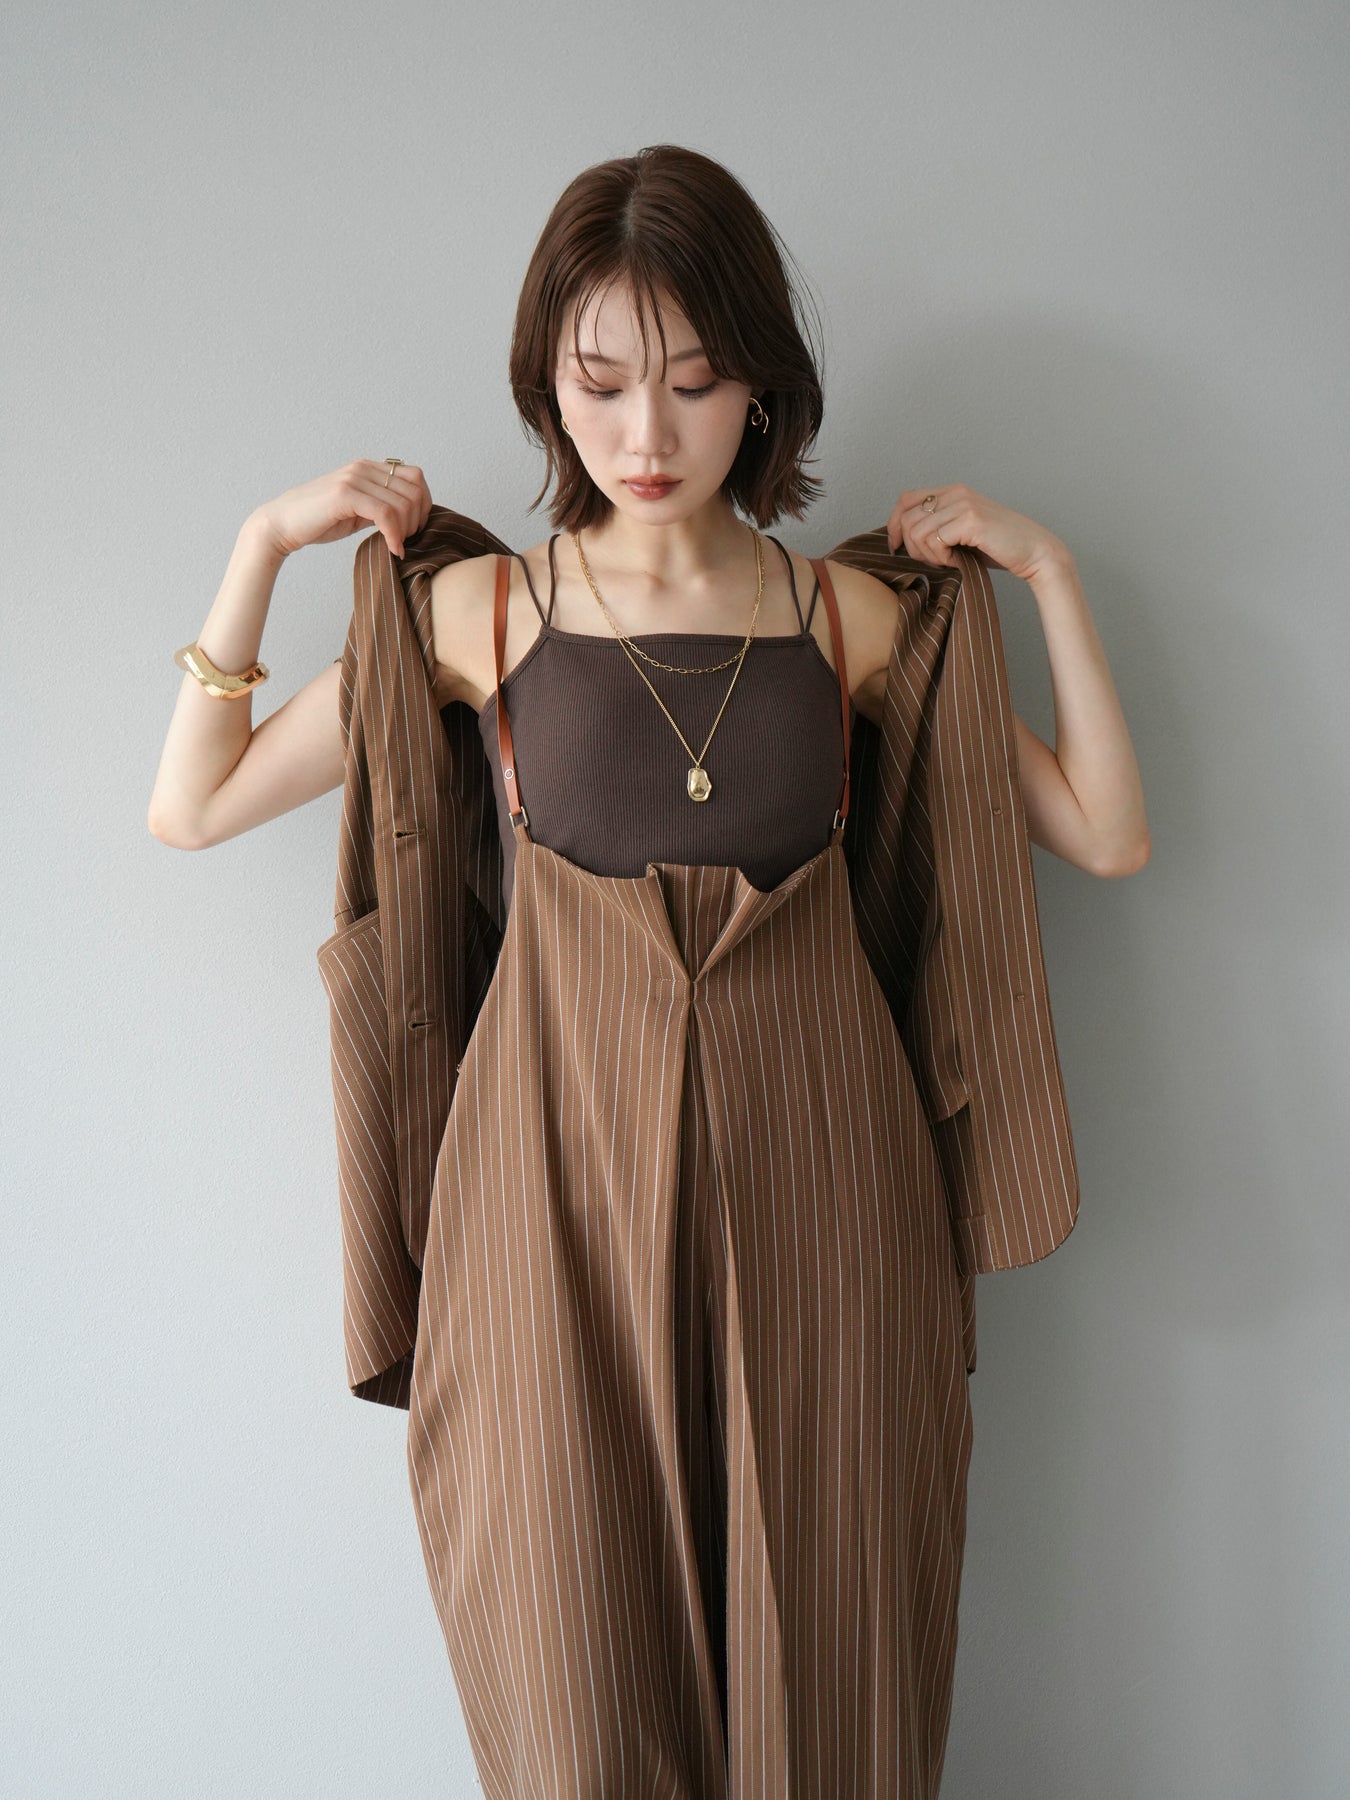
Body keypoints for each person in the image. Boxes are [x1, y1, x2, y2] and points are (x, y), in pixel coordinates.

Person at [149, 144, 1148, 1798]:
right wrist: (262, 542)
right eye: (600, 384)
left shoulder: (849, 622)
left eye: (692, 383)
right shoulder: (481, 616)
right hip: (545, 1209)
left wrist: (1048, 577)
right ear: (546, 388)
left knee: (836, 1678)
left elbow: (1103, 833)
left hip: (829, 1201)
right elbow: (192, 805)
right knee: (574, 1690)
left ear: (761, 386)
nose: (647, 435)